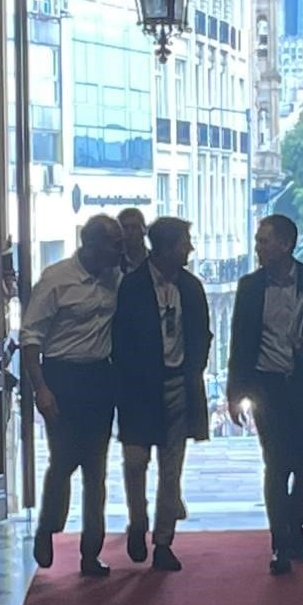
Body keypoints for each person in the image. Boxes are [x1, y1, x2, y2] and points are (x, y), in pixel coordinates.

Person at [227, 214, 303, 575]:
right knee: (276, 464)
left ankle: (294, 524)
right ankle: (280, 541)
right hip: (269, 385)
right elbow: (240, 342)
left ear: (285, 245)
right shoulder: (250, 287)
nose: (258, 248)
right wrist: (235, 392)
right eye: (258, 241)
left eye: (264, 241)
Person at [20, 214, 124, 577]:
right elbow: (30, 336)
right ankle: (47, 528)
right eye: (115, 244)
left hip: (99, 376)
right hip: (62, 375)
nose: (120, 251)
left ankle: (90, 551)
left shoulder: (116, 277)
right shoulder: (57, 279)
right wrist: (41, 389)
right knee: (63, 462)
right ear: (92, 245)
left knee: (97, 469)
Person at [112, 217, 212, 571]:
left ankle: (164, 540)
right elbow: (120, 340)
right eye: (185, 243)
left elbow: (202, 335)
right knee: (136, 462)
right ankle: (137, 522)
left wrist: (192, 370)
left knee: (172, 469)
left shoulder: (191, 287)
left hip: (178, 385)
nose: (190, 249)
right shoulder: (133, 286)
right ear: (166, 248)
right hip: (140, 389)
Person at [117, 206, 149, 274]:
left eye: (134, 227)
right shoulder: (114, 264)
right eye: (125, 227)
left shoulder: (154, 261)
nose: (130, 232)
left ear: (144, 230)